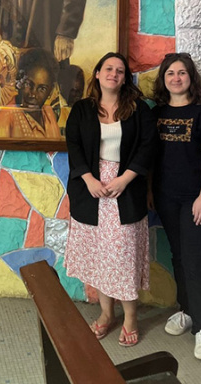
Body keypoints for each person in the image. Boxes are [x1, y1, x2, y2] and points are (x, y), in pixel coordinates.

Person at [64, 52, 156, 347]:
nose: (114, 74)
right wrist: (89, 180)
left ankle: (130, 317)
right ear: (98, 73)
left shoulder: (138, 109)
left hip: (125, 188)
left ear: (124, 77)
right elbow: (74, 145)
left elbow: (147, 146)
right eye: (108, 68)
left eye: (120, 70)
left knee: (124, 255)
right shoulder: (81, 109)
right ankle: (106, 314)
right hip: (91, 191)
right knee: (101, 257)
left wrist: (125, 179)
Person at [152, 53, 201, 361]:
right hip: (167, 198)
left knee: (195, 262)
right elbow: (151, 156)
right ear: (164, 79)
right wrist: (151, 191)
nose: (177, 78)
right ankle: (187, 311)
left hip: (199, 199)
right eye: (171, 73)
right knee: (178, 257)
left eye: (182, 73)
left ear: (191, 78)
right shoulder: (156, 114)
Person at [0, 48, 61, 139]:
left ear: (51, 91)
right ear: (19, 81)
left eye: (42, 88)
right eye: (28, 84)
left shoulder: (48, 113)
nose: (33, 94)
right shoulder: (3, 119)